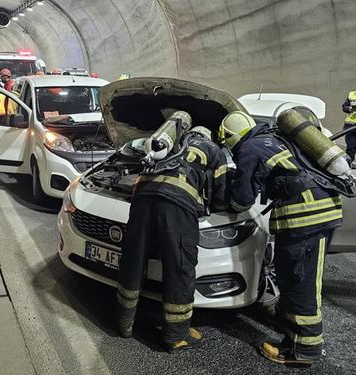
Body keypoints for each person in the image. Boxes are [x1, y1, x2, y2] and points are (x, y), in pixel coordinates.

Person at [219, 110, 343, 367]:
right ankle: (294, 335)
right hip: (321, 209)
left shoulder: (249, 148)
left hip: (304, 218)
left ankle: (303, 350)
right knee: (297, 277)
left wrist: (227, 202)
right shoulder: (273, 138)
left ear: (230, 138)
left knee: (300, 281)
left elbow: (241, 198)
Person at [115, 122, 229, 354]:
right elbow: (221, 195)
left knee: (133, 261)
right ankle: (176, 336)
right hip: (176, 206)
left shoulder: (168, 142)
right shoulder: (213, 150)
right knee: (180, 267)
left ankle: (124, 324)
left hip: (143, 199)